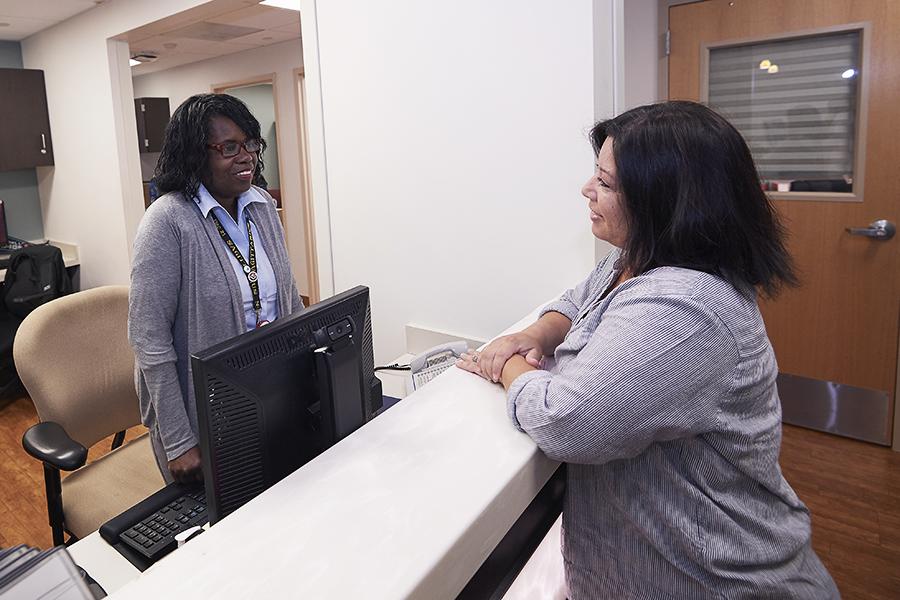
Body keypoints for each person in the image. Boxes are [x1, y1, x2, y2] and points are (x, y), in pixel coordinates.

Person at [456, 101, 838, 599]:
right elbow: (576, 301)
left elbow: (568, 422)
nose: (587, 190)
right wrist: (537, 335)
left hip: (713, 581)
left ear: (667, 200)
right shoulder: (637, 260)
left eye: (607, 183)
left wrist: (505, 364)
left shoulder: (686, 308)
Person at [129, 94, 303, 484]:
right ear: (195, 155)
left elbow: (286, 301)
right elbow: (148, 341)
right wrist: (178, 440)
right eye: (228, 147)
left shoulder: (260, 204)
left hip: (267, 391)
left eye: (250, 144)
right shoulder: (167, 222)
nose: (246, 157)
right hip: (204, 411)